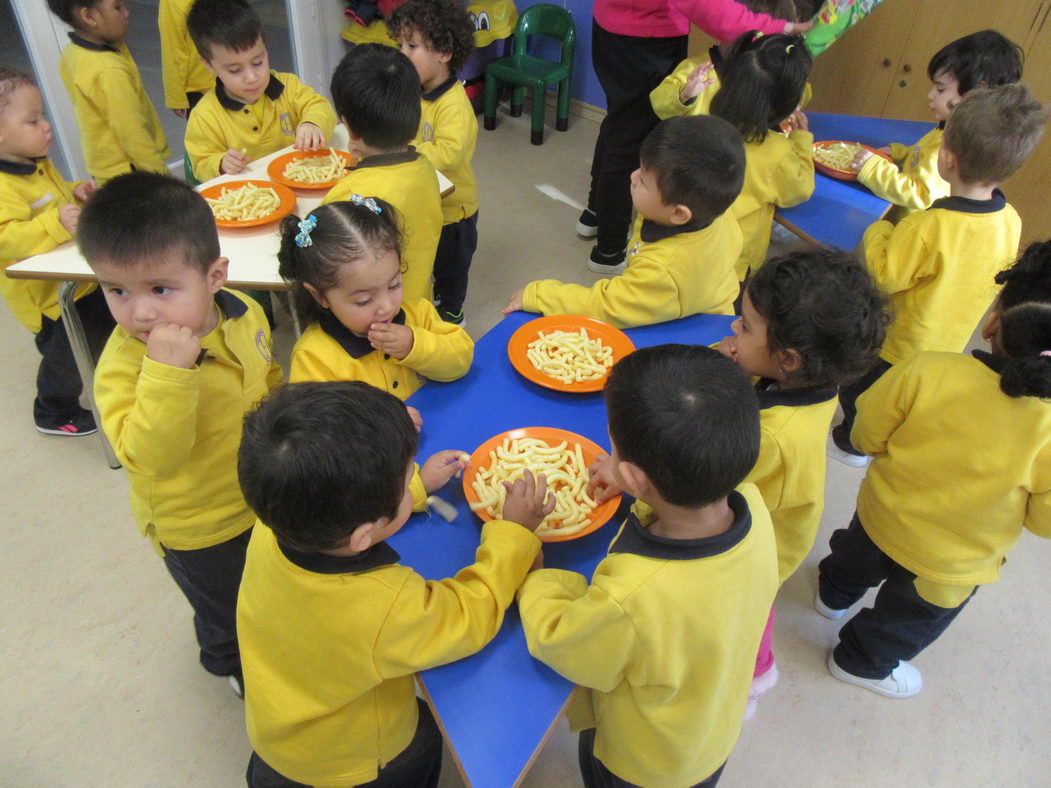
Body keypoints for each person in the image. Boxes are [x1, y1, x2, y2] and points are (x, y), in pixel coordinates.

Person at [236, 380, 548, 786]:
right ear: (363, 536)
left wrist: (413, 492)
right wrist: (513, 535)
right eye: (407, 479)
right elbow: (469, 616)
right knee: (421, 748)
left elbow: (351, 516)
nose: (412, 477)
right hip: (360, 758)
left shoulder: (275, 519)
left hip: (279, 730)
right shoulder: (383, 605)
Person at [518, 344, 778, 787]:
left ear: (638, 477)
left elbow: (561, 643)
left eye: (616, 452)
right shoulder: (753, 507)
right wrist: (633, 484)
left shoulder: (632, 598)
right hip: (709, 736)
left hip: (642, 761)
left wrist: (532, 567)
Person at [816, 240, 1051, 699]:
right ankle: (860, 663)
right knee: (906, 617)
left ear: (994, 322)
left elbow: (864, 435)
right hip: (950, 566)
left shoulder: (925, 370)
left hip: (880, 516)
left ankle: (831, 596)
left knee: (852, 560)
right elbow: (1044, 523)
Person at [79, 172, 283, 697]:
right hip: (196, 526)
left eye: (161, 289)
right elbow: (151, 457)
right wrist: (169, 373)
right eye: (116, 290)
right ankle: (227, 659)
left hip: (258, 494)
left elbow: (268, 378)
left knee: (266, 588)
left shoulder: (245, 312)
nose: (139, 312)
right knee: (224, 605)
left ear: (215, 276)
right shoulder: (124, 367)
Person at [830, 83, 1047, 464]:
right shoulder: (1010, 219)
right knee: (914, 391)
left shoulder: (927, 227)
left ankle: (853, 444)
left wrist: (877, 229)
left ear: (946, 160)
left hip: (901, 342)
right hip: (950, 339)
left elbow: (883, 276)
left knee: (863, 392)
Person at [716, 249, 887, 712]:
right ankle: (756, 669)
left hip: (753, 555)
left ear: (788, 359)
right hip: (778, 533)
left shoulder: (768, 439)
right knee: (757, 614)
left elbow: (702, 486)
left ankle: (742, 688)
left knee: (740, 621)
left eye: (745, 326)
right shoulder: (813, 383)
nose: (733, 329)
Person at [579, 0, 811, 275]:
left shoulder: (705, 71)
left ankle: (599, 221)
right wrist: (801, 139)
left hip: (707, 243)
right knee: (623, 135)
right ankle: (607, 244)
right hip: (713, 247)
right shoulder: (700, 72)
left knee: (620, 126)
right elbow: (800, 188)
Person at [504, 115, 745, 327]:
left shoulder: (662, 271)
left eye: (643, 180)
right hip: (698, 306)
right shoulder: (714, 211)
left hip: (689, 335)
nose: (632, 176)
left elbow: (606, 307)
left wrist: (539, 294)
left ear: (679, 214)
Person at [0, 67, 114, 436]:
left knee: (103, 323)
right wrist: (53, 223)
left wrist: (74, 192)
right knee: (64, 359)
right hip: (46, 299)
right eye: (32, 120)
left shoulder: (34, 163)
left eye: (43, 115)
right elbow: (6, 236)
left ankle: (112, 367)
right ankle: (52, 411)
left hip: (76, 278)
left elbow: (51, 194)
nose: (46, 125)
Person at [279, 199, 473, 398]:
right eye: (364, 300)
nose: (387, 307)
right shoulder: (314, 358)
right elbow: (318, 426)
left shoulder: (419, 313)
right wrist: (385, 417)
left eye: (394, 285)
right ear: (319, 296)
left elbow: (462, 361)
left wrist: (414, 345)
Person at [853, 29, 1024, 218]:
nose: (930, 94)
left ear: (976, 92)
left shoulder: (951, 145)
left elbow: (920, 194)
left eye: (940, 89)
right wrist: (900, 153)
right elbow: (923, 155)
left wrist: (872, 169)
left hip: (906, 230)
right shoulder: (949, 127)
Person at [324, 44, 442, 304]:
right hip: (417, 305)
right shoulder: (424, 166)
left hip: (376, 320)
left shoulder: (348, 195)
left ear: (349, 128)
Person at [388, 0, 478, 327]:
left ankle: (453, 312)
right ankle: (430, 299)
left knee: (452, 268)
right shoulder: (413, 88)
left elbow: (449, 153)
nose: (402, 53)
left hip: (455, 210)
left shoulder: (454, 105)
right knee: (425, 257)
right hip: (425, 200)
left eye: (412, 46)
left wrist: (405, 148)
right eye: (399, 45)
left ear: (443, 52)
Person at [184, 0, 336, 182]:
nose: (251, 77)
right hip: (250, 194)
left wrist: (313, 123)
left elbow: (320, 106)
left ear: (265, 48)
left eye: (257, 62)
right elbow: (200, 165)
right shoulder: (205, 116)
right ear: (208, 65)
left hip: (298, 183)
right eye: (235, 70)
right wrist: (221, 163)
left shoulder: (288, 86)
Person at [707, 30, 815, 280]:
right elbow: (800, 191)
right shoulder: (776, 151)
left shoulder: (706, 125)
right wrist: (801, 140)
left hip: (696, 248)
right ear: (782, 108)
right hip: (735, 262)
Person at [48, 0, 170, 184]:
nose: (127, 13)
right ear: (90, 16)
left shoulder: (73, 52)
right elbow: (131, 130)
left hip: (106, 166)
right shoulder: (109, 71)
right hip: (132, 168)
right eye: (117, 7)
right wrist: (159, 175)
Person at [649, 0, 809, 121]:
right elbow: (659, 103)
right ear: (726, 30)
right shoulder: (697, 69)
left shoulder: (769, 76)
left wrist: (793, 97)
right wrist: (683, 96)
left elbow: (802, 91)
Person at [158, 0, 213, 116]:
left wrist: (176, 97)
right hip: (233, 77)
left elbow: (173, 48)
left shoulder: (172, 3)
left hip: (198, 87)